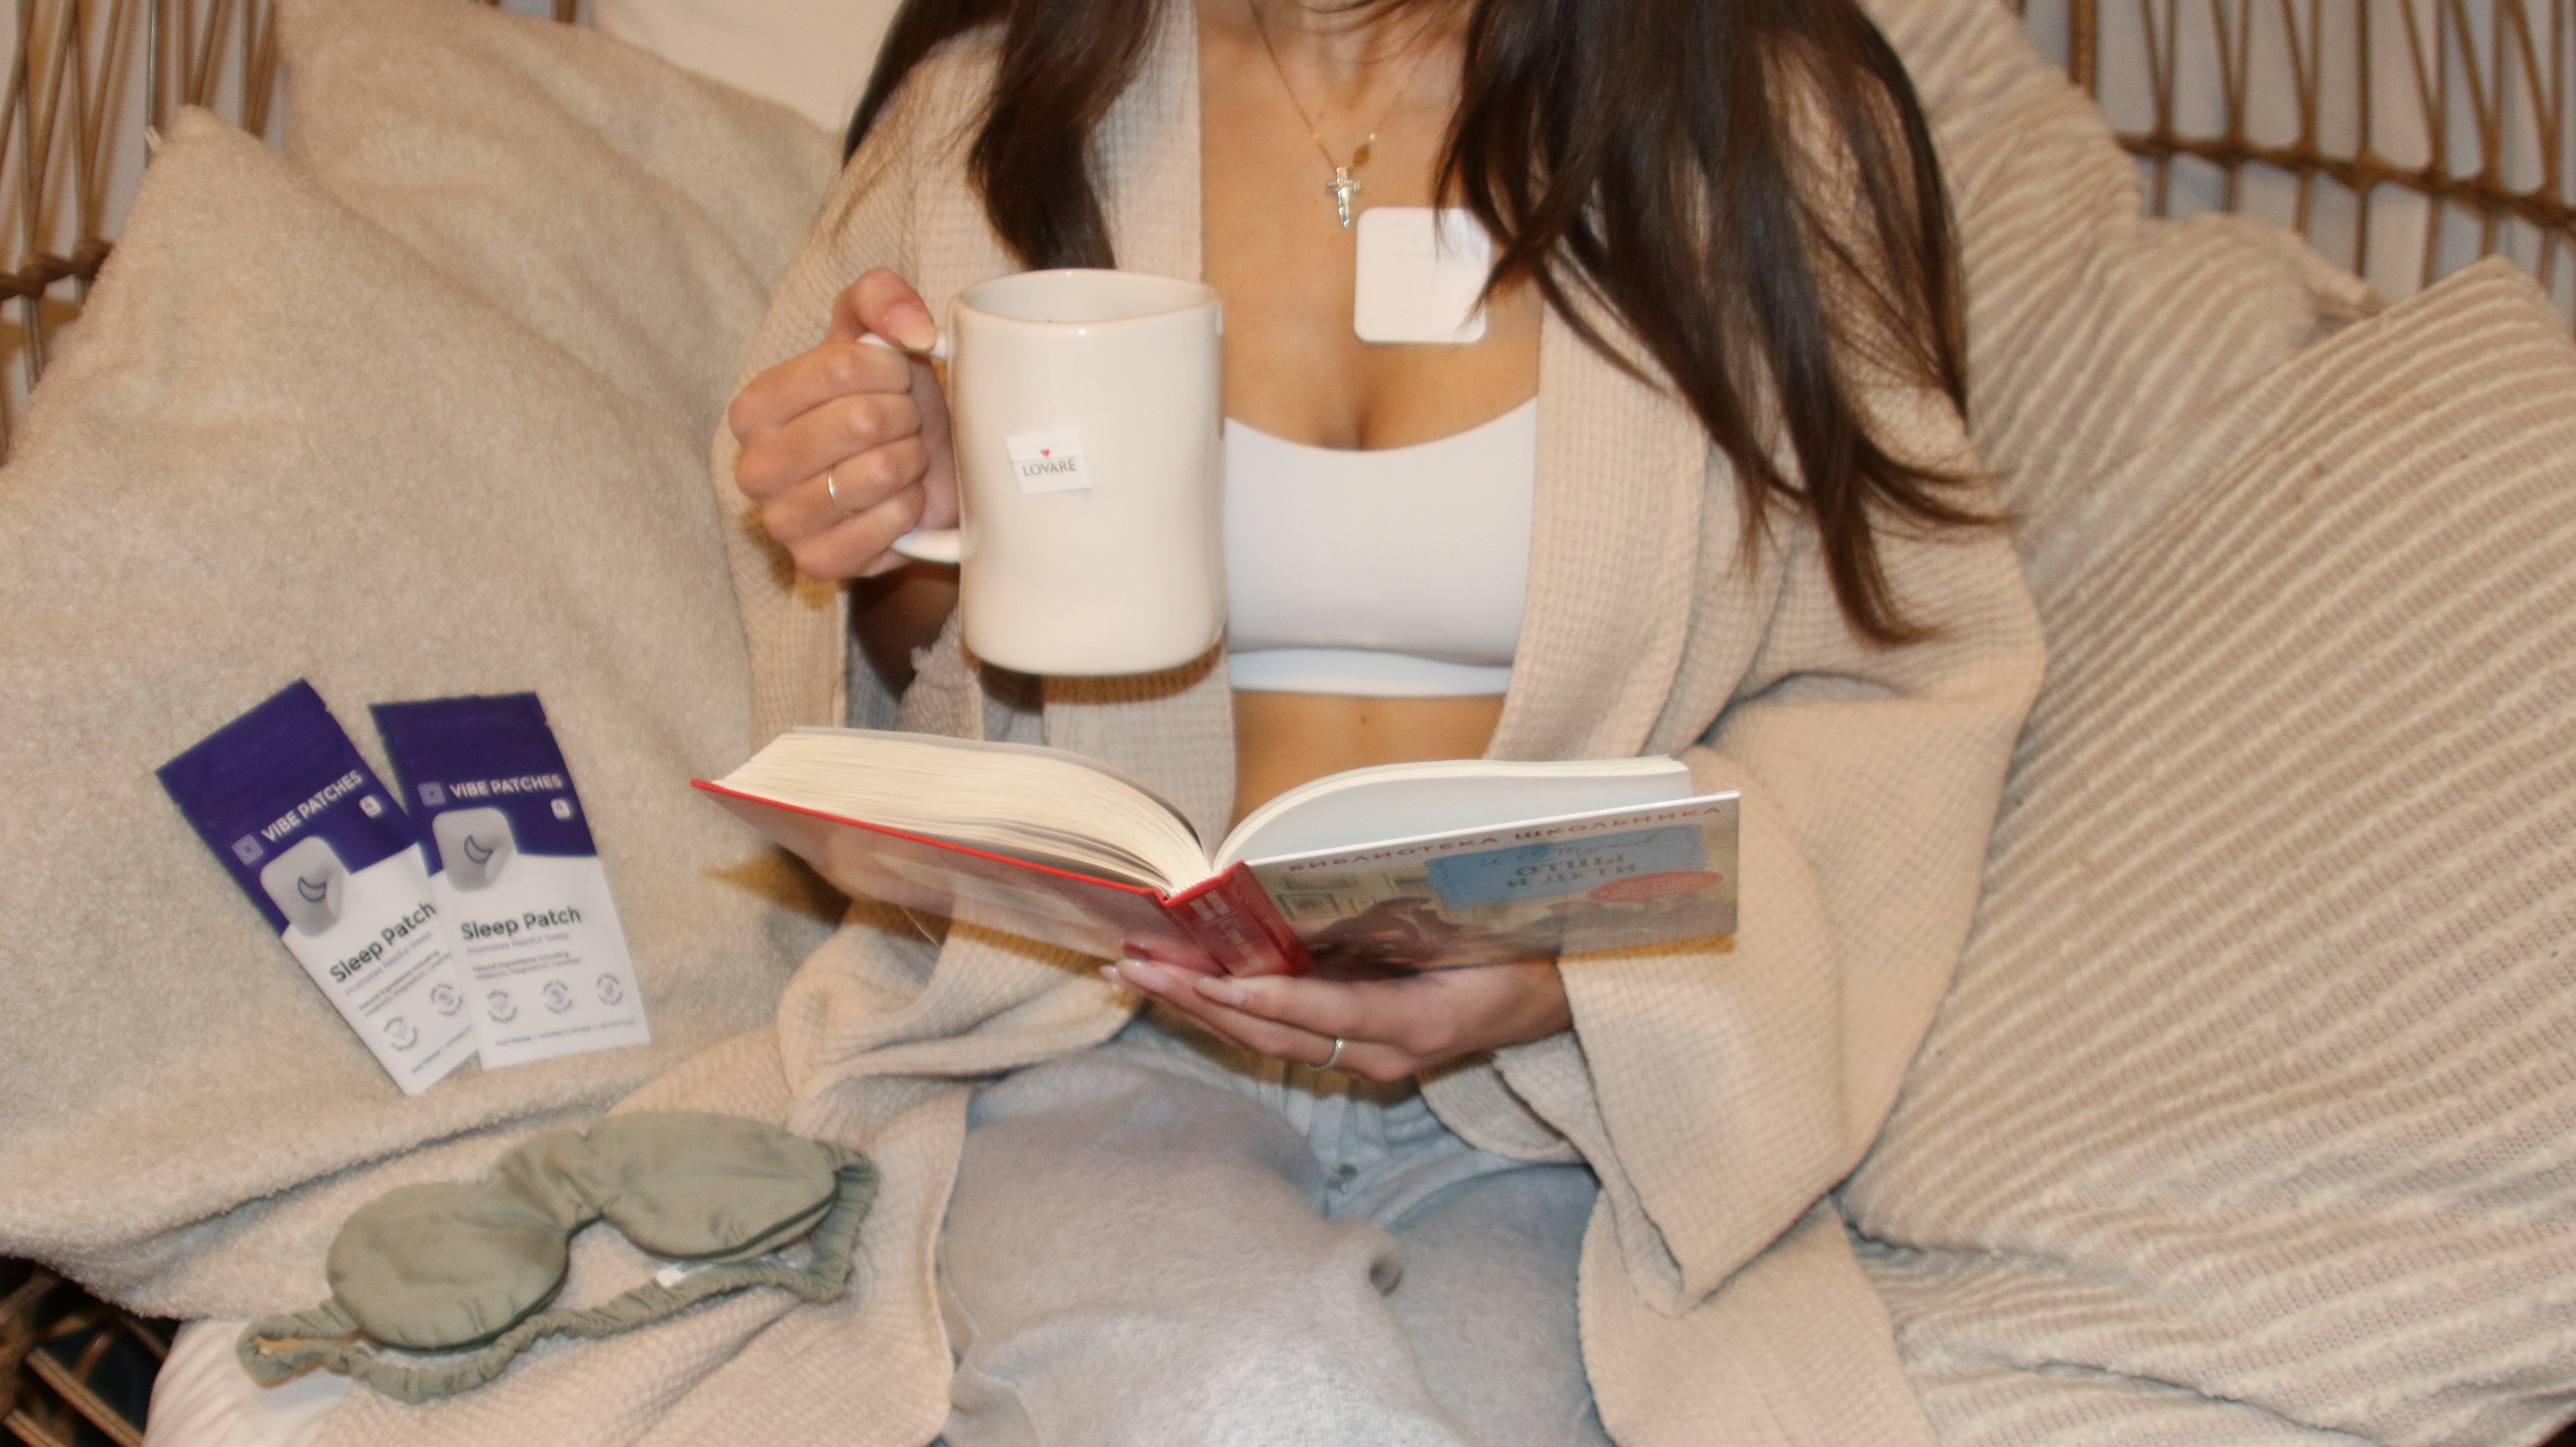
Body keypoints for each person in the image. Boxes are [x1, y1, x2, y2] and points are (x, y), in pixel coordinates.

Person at [716, 0, 2044, 1443]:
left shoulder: (1762, 140)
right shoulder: (985, 123)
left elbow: (1894, 686)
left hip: (1570, 1116)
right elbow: (869, 689)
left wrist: (1575, 981)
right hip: (1090, 1046)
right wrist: (899, 536)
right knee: (1259, 1407)